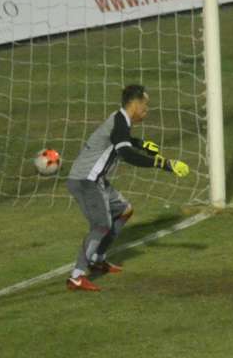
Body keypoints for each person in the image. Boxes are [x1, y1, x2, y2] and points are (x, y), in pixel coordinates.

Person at [65, 85, 189, 291]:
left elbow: (120, 140)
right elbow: (126, 154)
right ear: (135, 103)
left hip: (97, 180)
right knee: (101, 225)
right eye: (145, 104)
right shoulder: (120, 122)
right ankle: (76, 276)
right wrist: (164, 164)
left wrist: (140, 144)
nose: (147, 109)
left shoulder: (120, 120)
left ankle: (97, 259)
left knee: (124, 211)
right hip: (85, 181)